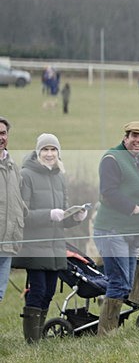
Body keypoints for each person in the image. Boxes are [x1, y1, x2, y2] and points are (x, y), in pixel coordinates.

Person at [14, 134, 88, 342]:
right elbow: (23, 214)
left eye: (53, 150)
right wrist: (48, 214)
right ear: (38, 152)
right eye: (45, 150)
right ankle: (32, 340)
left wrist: (74, 218)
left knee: (50, 291)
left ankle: (38, 334)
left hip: (55, 245)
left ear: (58, 153)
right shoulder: (26, 175)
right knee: (38, 289)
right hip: (35, 244)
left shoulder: (59, 177)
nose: (49, 154)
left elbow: (61, 217)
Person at [93, 121, 139, 335]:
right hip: (112, 231)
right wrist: (134, 209)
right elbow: (108, 192)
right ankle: (106, 332)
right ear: (126, 137)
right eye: (135, 136)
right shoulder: (112, 158)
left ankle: (107, 324)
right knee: (119, 283)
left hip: (131, 234)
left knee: (125, 284)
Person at [0, 116, 26, 304]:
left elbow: (20, 204)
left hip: (8, 243)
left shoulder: (14, 167)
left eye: (3, 133)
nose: (0, 137)